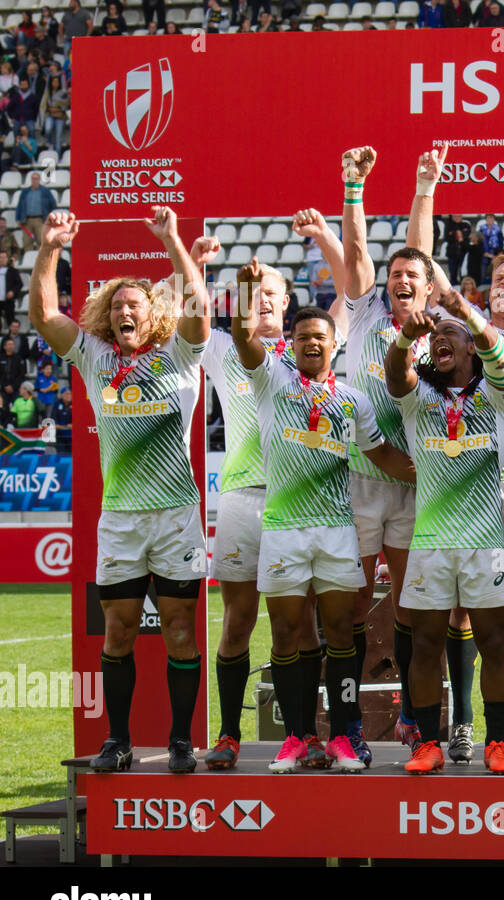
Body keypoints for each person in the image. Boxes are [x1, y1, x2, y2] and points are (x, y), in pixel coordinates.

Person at [30, 208, 210, 773]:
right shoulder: (95, 356)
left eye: (134, 303)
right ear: (106, 317)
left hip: (177, 516)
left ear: (151, 312)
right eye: (116, 305)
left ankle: (181, 741)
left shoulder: (179, 355)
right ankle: (119, 740)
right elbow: (43, 315)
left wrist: (173, 241)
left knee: (180, 627)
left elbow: (201, 311)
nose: (125, 310)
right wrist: (50, 247)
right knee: (119, 628)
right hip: (121, 520)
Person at [231, 262, 412, 774]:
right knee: (287, 633)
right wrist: (246, 289)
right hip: (284, 531)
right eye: (304, 337)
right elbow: (245, 339)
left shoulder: (352, 399)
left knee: (340, 631)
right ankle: (296, 736)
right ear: (291, 344)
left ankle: (346, 736)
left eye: (321, 338)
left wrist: (438, 470)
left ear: (335, 346)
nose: (313, 343)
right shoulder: (270, 381)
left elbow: (380, 455)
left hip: (336, 530)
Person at [200, 212, 349, 771]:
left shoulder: (308, 351)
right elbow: (199, 307)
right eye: (254, 293)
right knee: (238, 620)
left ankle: (308, 735)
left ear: (288, 302)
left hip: (299, 504)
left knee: (303, 622)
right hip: (241, 498)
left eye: (271, 293)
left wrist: (325, 238)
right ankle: (229, 733)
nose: (262, 300)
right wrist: (194, 261)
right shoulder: (222, 348)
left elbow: (351, 298)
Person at [338, 146, 460, 759]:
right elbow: (358, 254)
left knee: (415, 602)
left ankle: (417, 719)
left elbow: (422, 249)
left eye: (413, 278)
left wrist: (423, 188)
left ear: (427, 286)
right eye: (395, 278)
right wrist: (353, 190)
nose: (402, 283)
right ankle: (349, 725)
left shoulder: (433, 322)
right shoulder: (363, 316)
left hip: (418, 484)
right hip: (360, 480)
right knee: (355, 603)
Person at [383, 281, 504, 774]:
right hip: (430, 544)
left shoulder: (500, 395)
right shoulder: (420, 399)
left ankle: (497, 743)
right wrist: (405, 339)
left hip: (485, 543)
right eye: (434, 334)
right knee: (424, 645)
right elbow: (395, 378)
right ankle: (428, 744)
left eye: (450, 334)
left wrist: (467, 312)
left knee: (493, 642)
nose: (439, 338)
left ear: (469, 347)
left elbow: (501, 358)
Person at [15, 171, 56, 250]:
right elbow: (20, 205)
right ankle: (28, 257)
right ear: (31, 180)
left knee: (40, 241)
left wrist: (47, 214)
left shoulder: (45, 191)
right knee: (27, 241)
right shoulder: (25, 192)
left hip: (40, 220)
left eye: (36, 179)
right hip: (27, 220)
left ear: (39, 180)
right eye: (33, 179)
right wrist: (18, 218)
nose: (34, 180)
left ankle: (39, 259)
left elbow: (53, 204)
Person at [0, 250, 22, 326]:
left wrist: (12, 291)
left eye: (4, 257)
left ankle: (11, 336)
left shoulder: (13, 271)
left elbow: (19, 284)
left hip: (8, 301)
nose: (2, 259)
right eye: (0, 257)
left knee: (10, 319)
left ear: (7, 259)